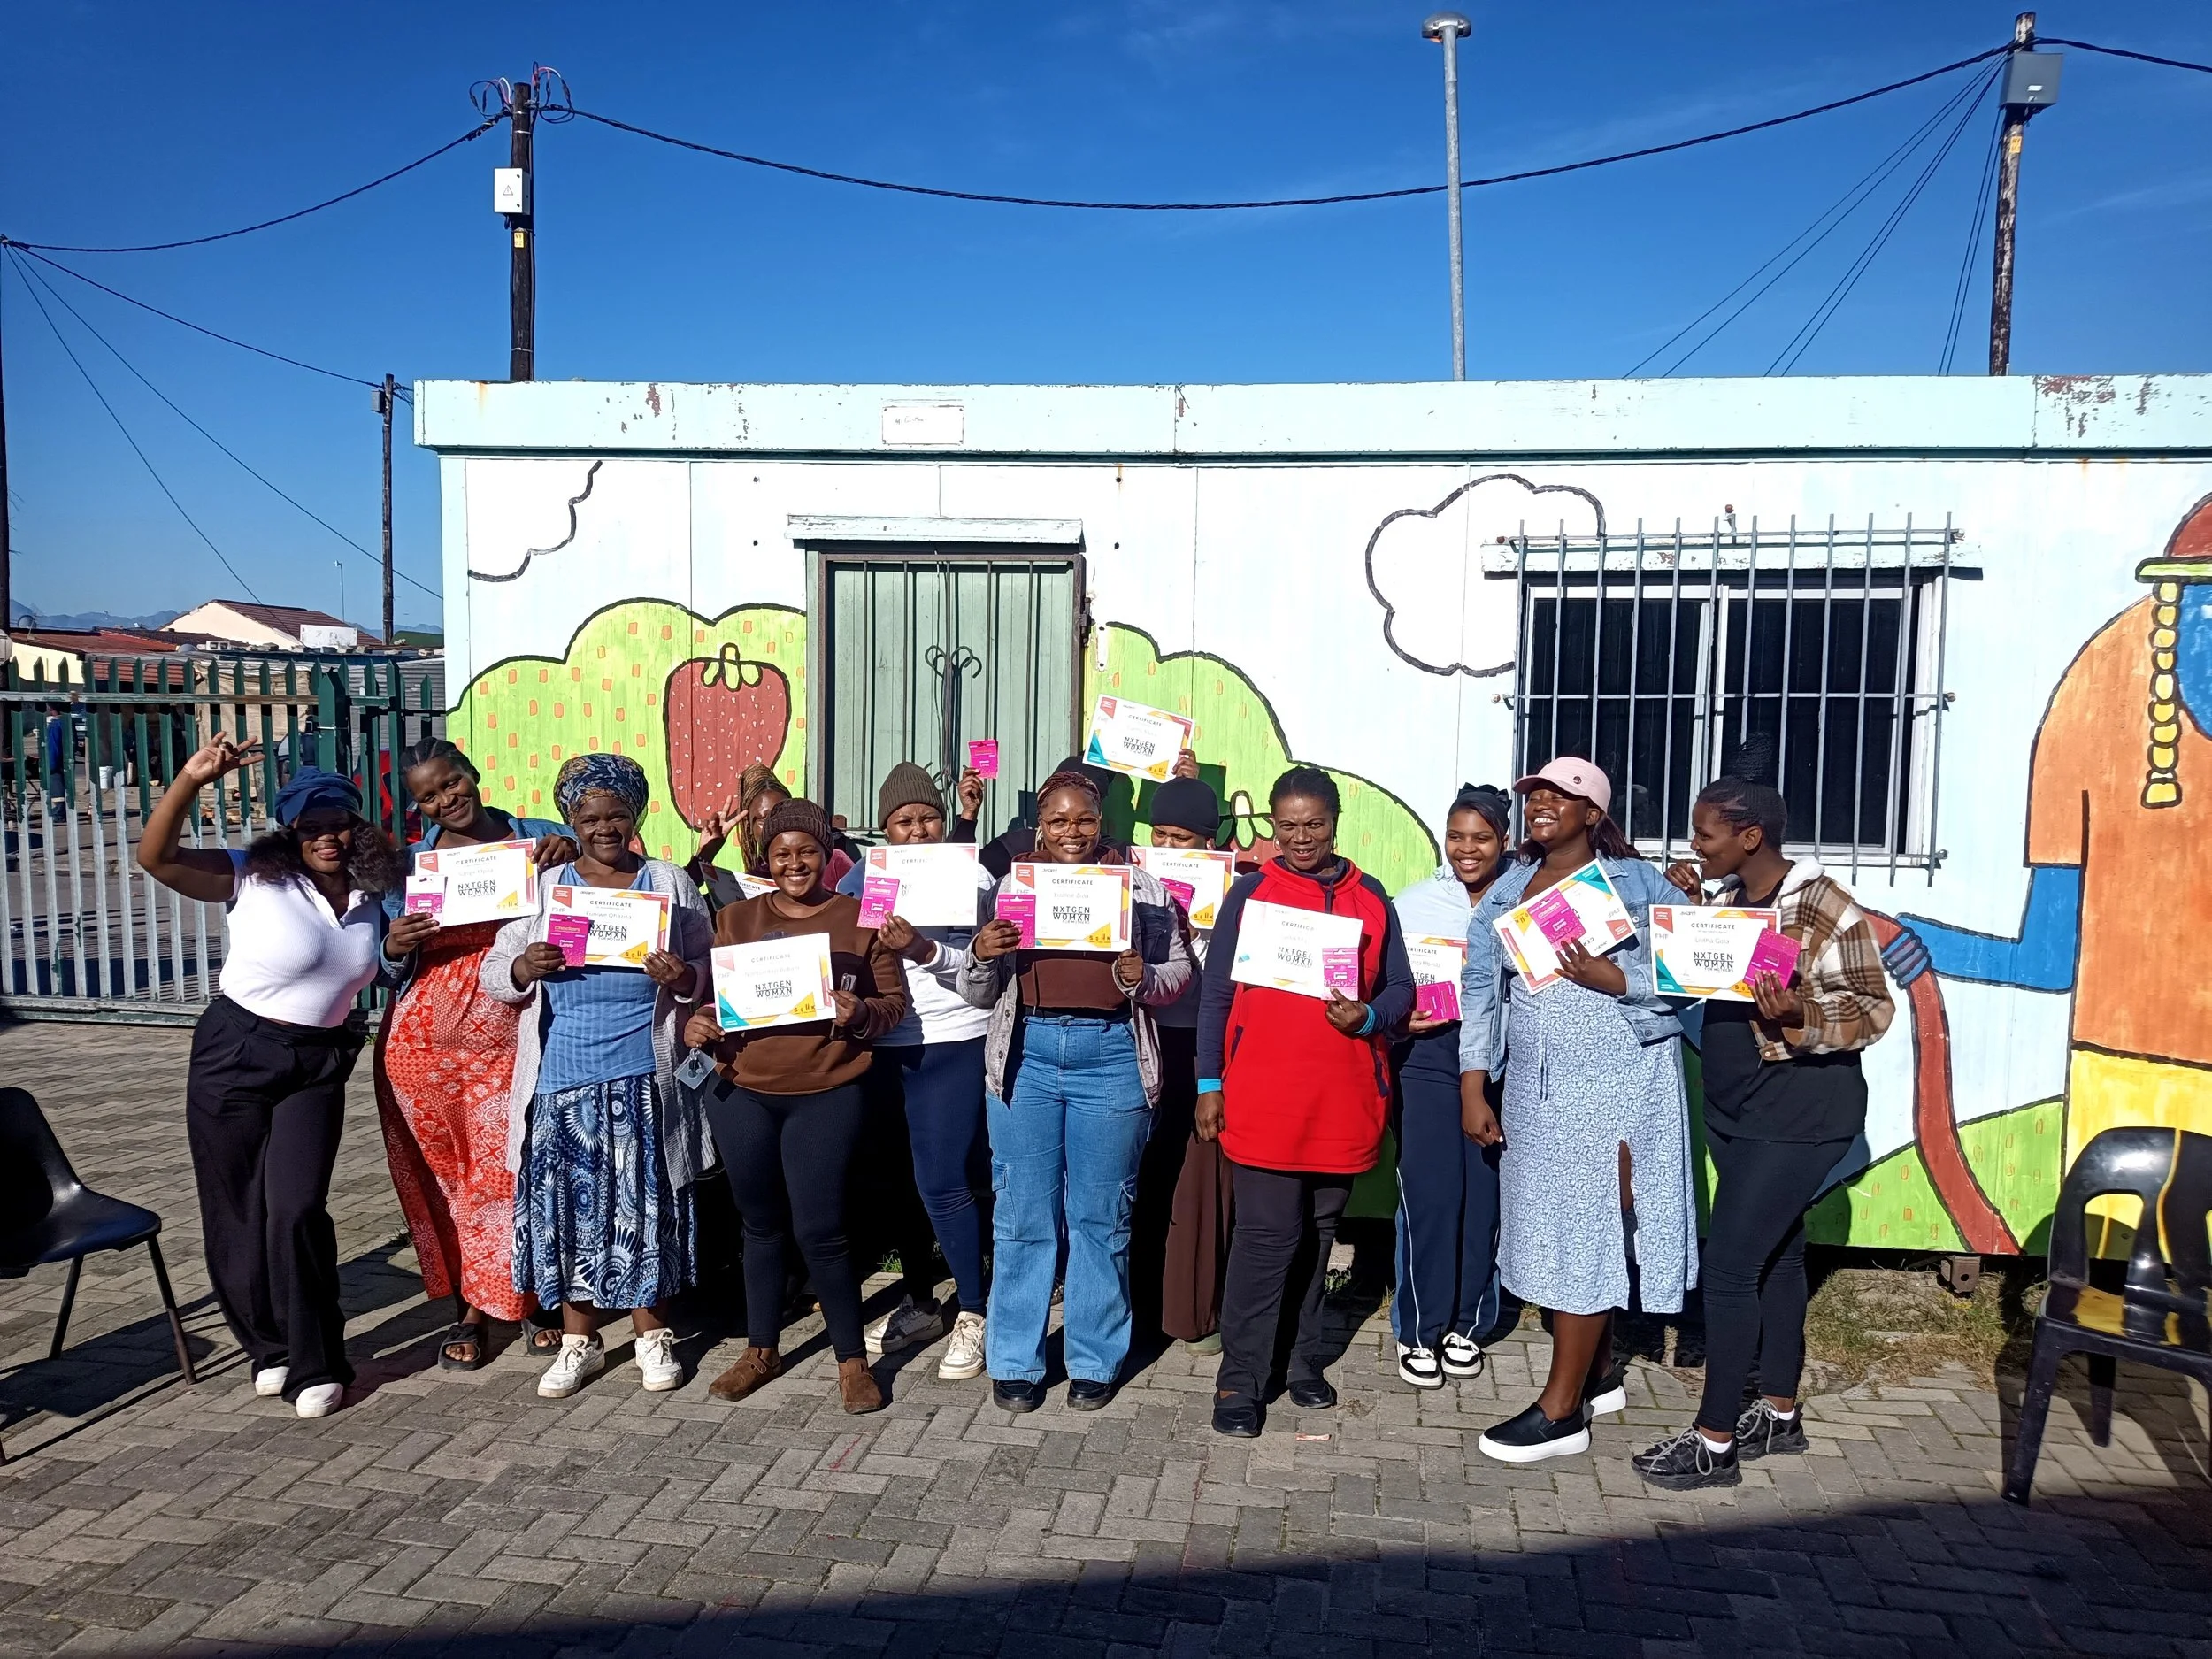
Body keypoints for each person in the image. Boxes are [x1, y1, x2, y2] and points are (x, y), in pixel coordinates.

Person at [1632, 769, 1895, 1489]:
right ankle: (1778, 1412)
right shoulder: (1726, 899)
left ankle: (1715, 1441)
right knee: (1778, 1256)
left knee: (1729, 1267)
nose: (1694, 843)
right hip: (1737, 1109)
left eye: (1705, 832)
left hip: (1801, 1110)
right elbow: (1687, 980)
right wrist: (1684, 917)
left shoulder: (1821, 904)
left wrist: (1797, 1016)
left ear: (1750, 836)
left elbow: (1874, 1008)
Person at [136, 743, 402, 1418]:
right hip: (236, 1050)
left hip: (317, 1063)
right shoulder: (251, 875)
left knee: (295, 1209)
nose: (326, 836)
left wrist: (542, 852)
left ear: (355, 824)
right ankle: (269, 1346)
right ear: (290, 832)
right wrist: (191, 779)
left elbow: (473, 862)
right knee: (235, 1209)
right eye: (310, 826)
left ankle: (318, 1360)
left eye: (337, 821)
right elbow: (155, 856)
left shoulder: (379, 891)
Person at [1458, 757, 1695, 1464]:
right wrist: (1476, 1083)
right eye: (1535, 795)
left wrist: (1613, 977)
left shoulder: (1639, 882)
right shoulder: (1506, 888)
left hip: (1619, 1078)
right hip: (1536, 1087)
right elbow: (1479, 989)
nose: (1542, 806)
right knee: (1552, 1224)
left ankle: (1562, 1412)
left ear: (1593, 813)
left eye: (1562, 797)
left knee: (1588, 1223)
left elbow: (1696, 972)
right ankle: (1596, 1371)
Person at [957, 768, 1194, 1412]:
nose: (1071, 832)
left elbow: (1178, 976)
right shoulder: (1014, 884)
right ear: (1040, 825)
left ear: (1102, 820)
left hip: (1112, 1055)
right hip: (1027, 1056)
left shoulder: (1142, 888)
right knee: (1023, 1213)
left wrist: (1142, 977)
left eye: (1083, 819)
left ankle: (1094, 1356)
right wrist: (981, 951)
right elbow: (978, 991)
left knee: (1101, 1214)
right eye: (1057, 821)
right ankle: (1015, 1359)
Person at [482, 754, 714, 1400]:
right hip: (561, 1077)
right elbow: (494, 972)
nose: (605, 827)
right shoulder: (546, 884)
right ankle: (580, 1341)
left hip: (644, 1072)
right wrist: (525, 966)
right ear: (571, 819)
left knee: (645, 1207)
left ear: (637, 815)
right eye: (590, 816)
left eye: (617, 814)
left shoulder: (667, 881)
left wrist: (685, 978)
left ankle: (652, 1334)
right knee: (572, 1211)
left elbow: (710, 964)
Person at [1194, 767, 1415, 1437]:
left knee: (1321, 1237)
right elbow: (1216, 994)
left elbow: (1402, 989)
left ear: (1336, 818)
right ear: (1271, 822)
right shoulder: (1252, 891)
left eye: (1313, 823)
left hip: (1342, 1099)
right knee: (1266, 1238)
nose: (1300, 837)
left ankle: (1299, 1361)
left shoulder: (1371, 896)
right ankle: (1240, 1376)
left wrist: (1371, 1017)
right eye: (1286, 825)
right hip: (1263, 1098)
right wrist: (1209, 1082)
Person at [684, 797, 908, 1414]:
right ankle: (762, 1349)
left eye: (806, 850)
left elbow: (895, 1005)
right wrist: (699, 1024)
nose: (794, 862)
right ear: (766, 857)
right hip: (744, 1090)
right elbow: (713, 1001)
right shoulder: (734, 919)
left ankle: (852, 1360)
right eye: (781, 852)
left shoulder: (862, 919)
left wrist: (860, 1013)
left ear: (826, 855)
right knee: (758, 1224)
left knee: (821, 1229)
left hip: (827, 1091)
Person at [374, 738, 574, 1371]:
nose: (444, 800)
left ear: (474, 772)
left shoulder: (538, 835)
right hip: (424, 1045)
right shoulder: (415, 865)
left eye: (451, 783)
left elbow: (605, 883)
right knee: (453, 1176)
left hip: (513, 1029)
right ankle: (471, 1307)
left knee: (512, 1168)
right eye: (427, 795)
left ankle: (529, 1296)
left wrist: (569, 858)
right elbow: (386, 966)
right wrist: (394, 943)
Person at [832, 762, 997, 1379]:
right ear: (886, 828)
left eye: (928, 815)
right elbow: (837, 948)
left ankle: (975, 1311)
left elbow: (987, 972)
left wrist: (925, 949)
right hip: (882, 1041)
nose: (920, 829)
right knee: (899, 1178)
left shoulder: (973, 875)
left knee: (943, 1176)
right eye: (905, 819)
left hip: (953, 1038)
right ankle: (922, 1297)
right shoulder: (860, 878)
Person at [1389, 783, 1510, 1389]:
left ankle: (1468, 1322)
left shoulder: (1526, 898)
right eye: (1457, 835)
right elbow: (1384, 985)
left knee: (1484, 1199)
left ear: (1504, 841)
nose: (1467, 849)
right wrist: (1399, 1017)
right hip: (1429, 1056)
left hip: (1502, 1063)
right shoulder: (1411, 905)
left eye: (1481, 837)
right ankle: (1419, 1329)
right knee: (1430, 1197)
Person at [1132, 762, 1235, 1354]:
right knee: (1144, 1173)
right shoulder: (1132, 883)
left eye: (1184, 840)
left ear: (1209, 844)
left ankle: (1193, 1304)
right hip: (1144, 1041)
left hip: (1202, 1045)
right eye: (1161, 836)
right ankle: (1140, 1302)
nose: (1168, 848)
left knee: (1197, 1180)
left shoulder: (1235, 892)